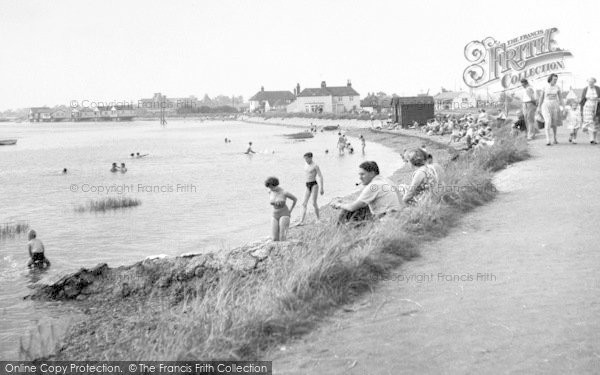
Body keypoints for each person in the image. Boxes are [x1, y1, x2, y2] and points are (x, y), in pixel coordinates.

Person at [331, 161, 401, 224]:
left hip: (386, 220)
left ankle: (339, 230)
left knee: (347, 211)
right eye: (359, 175)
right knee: (359, 206)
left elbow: (352, 207)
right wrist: (344, 201)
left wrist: (338, 205)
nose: (360, 178)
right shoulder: (385, 180)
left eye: (362, 174)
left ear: (372, 173)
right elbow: (361, 202)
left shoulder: (373, 186)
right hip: (396, 216)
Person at [265, 177, 297, 241]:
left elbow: (295, 199)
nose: (271, 189)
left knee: (282, 237)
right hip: (274, 214)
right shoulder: (270, 191)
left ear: (276, 185)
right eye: (269, 187)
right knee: (274, 238)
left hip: (284, 213)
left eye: (272, 187)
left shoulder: (284, 192)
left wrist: (290, 211)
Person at [537, 73, 564, 145]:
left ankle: (555, 138)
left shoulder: (557, 87)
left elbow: (561, 98)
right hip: (546, 105)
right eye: (554, 79)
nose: (555, 81)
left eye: (556, 79)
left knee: (554, 123)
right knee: (548, 121)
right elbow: (541, 98)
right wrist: (539, 107)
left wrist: (563, 107)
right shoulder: (545, 87)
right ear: (550, 79)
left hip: (555, 105)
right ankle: (548, 140)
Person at [299, 152, 324, 225]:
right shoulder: (306, 164)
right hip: (307, 185)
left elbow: (320, 176)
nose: (305, 160)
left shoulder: (315, 166)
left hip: (314, 185)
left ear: (310, 158)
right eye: (305, 159)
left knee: (313, 203)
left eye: (307, 158)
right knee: (304, 203)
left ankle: (318, 219)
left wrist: (322, 188)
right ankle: (301, 221)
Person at [580, 77, 600, 144]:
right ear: (587, 82)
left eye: (592, 82)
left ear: (594, 82)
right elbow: (582, 99)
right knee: (589, 122)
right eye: (589, 82)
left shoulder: (597, 88)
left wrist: (599, 99)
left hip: (596, 106)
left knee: (595, 122)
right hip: (587, 106)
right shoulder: (585, 89)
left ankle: (595, 138)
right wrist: (581, 109)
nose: (590, 83)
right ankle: (591, 139)